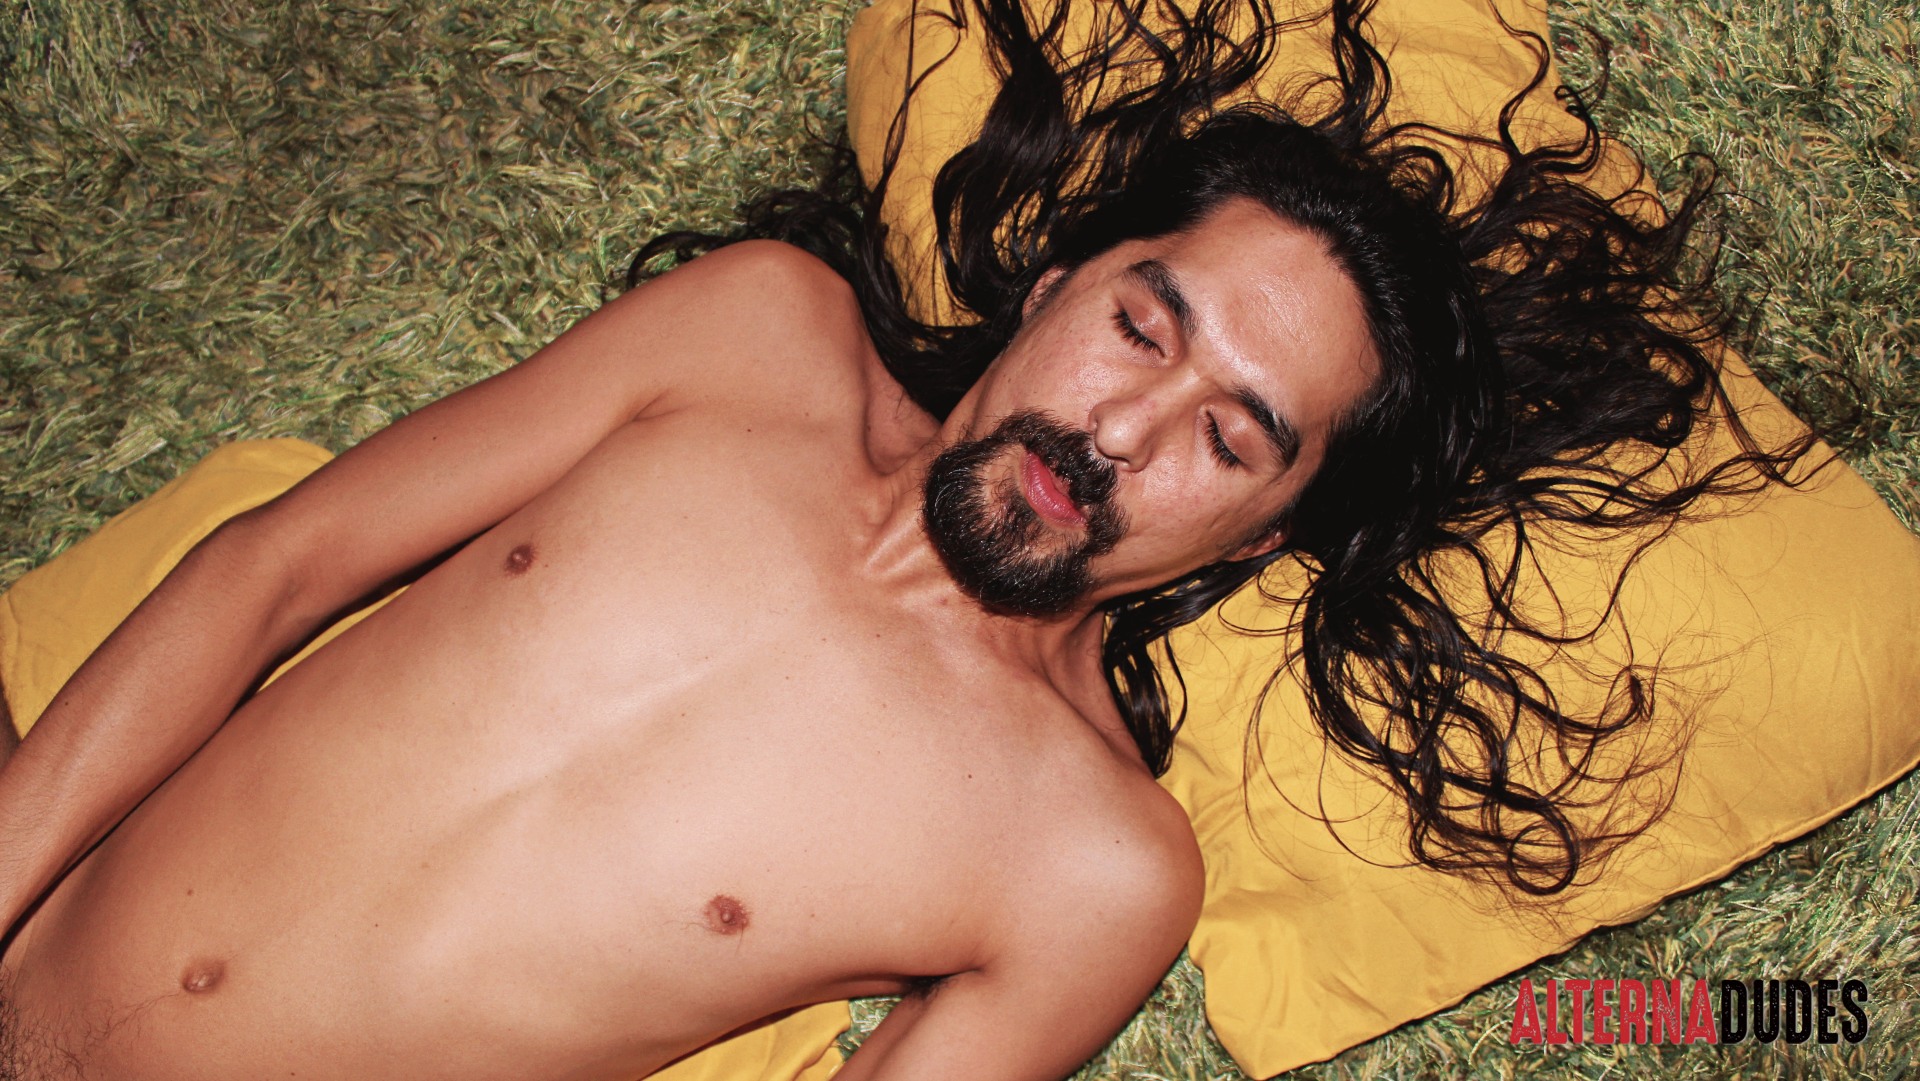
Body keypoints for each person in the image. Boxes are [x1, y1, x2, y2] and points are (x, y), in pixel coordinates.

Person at [0, 0, 1803, 1077]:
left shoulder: (1090, 865)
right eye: (1145, 325)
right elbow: (275, 566)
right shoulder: (752, 340)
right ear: (1056, 275)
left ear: (1266, 535)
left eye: (1231, 437)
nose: (1124, 431)